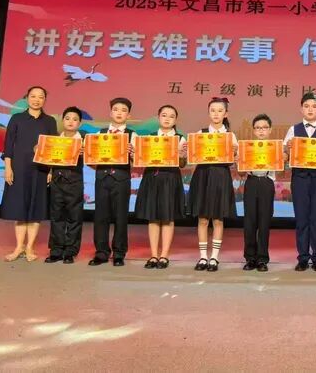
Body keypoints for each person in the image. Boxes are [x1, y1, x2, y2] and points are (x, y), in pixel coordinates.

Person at [1, 85, 58, 262]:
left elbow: (53, 148)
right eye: (33, 96)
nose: (36, 100)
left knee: (35, 209)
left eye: (41, 97)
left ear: (45, 100)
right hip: (18, 168)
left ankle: (30, 247)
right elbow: (8, 145)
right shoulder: (17, 118)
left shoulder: (50, 121)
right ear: (27, 98)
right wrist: (8, 168)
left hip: (40, 170)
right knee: (19, 209)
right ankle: (19, 247)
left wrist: (50, 170)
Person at [283, 92, 316, 272]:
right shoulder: (293, 130)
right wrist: (287, 149)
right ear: (301, 109)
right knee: (301, 218)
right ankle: (303, 258)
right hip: (299, 178)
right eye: (306, 106)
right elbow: (284, 156)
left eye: (314, 106)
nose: (310, 109)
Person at [135, 105, 187, 270]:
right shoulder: (148, 138)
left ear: (175, 120)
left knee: (168, 217)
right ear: (158, 117)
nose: (167, 119)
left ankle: (164, 255)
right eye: (164, 115)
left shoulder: (180, 139)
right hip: (152, 178)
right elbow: (141, 160)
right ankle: (153, 255)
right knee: (153, 217)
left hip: (170, 179)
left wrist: (182, 156)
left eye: (171, 116)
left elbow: (182, 164)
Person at [189, 97, 238, 272]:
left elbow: (234, 161)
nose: (216, 114)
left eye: (220, 110)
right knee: (202, 219)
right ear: (208, 113)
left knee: (218, 219)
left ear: (226, 114)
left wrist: (235, 154)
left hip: (221, 177)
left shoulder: (230, 136)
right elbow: (193, 158)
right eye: (213, 110)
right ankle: (203, 257)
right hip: (203, 176)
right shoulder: (200, 133)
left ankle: (214, 258)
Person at [88, 97, 136, 267]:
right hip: (102, 178)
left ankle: (119, 253)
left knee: (121, 216)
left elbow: (138, 161)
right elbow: (90, 160)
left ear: (128, 115)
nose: (119, 113)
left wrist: (132, 153)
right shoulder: (99, 134)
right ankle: (101, 252)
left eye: (123, 110)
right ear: (110, 113)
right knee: (101, 216)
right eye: (116, 109)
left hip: (121, 179)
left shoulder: (132, 135)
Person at [45, 106, 85, 264]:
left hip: (75, 182)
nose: (70, 122)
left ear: (80, 123)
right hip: (57, 180)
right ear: (62, 121)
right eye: (67, 118)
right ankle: (56, 250)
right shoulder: (55, 140)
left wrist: (85, 153)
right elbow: (47, 157)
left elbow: (94, 160)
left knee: (74, 218)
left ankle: (70, 251)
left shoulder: (84, 141)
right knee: (56, 217)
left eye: (75, 119)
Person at [242, 114, 277, 272]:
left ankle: (262, 259)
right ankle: (250, 258)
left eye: (264, 128)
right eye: (257, 128)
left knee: (264, 222)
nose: (261, 131)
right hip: (251, 181)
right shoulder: (247, 147)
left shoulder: (275, 147)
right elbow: (241, 172)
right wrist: (240, 160)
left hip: (267, 182)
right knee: (249, 222)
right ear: (254, 131)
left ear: (270, 130)